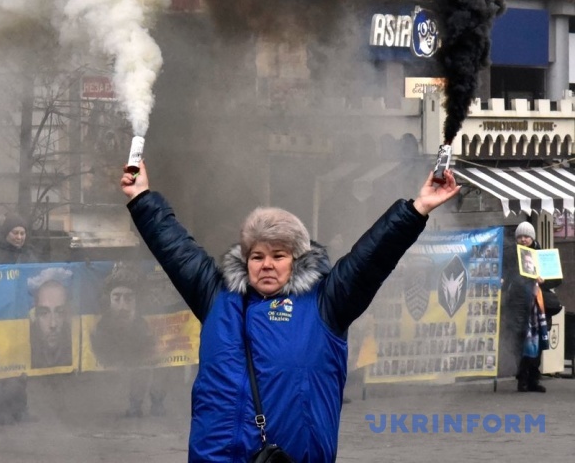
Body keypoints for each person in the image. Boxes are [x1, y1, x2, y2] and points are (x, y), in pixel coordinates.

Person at [121, 160, 459, 463]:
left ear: (296, 260)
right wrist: (141, 197)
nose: (267, 265)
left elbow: (371, 257)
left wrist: (417, 209)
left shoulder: (327, 302)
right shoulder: (216, 295)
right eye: (257, 256)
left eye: (278, 255)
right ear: (245, 260)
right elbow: (174, 247)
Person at [0, 215, 38, 424]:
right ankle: (3, 412)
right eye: (15, 232)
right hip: (1, 318)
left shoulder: (30, 254)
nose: (19, 237)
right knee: (1, 366)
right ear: (7, 233)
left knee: (21, 366)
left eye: (23, 233)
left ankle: (21, 410)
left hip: (23, 317)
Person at [89, 263, 164, 417]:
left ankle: (156, 402)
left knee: (157, 363)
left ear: (137, 301)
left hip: (141, 343)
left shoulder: (144, 327)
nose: (122, 306)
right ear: (108, 300)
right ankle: (136, 405)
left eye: (129, 299)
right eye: (116, 299)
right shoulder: (101, 329)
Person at [503, 220, 562, 393]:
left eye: (526, 236)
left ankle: (533, 378)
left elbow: (557, 279)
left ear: (532, 237)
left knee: (538, 340)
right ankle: (522, 377)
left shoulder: (543, 254)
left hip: (538, 304)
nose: (523, 239)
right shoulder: (511, 254)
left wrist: (545, 281)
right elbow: (506, 274)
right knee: (521, 341)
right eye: (520, 236)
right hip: (518, 303)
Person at [28, 269, 73, 369]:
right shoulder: (24, 347)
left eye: (60, 312)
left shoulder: (76, 346)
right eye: (44, 313)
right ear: (35, 315)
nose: (53, 324)